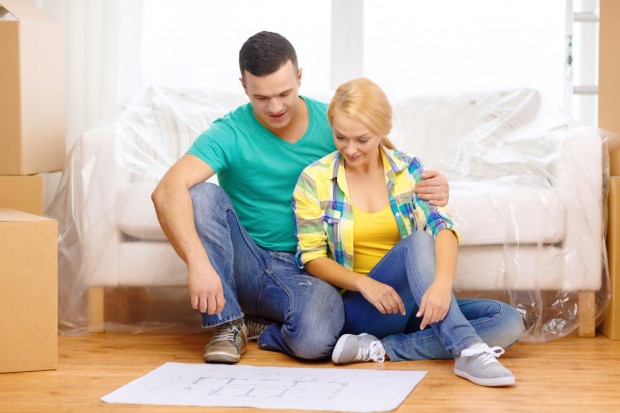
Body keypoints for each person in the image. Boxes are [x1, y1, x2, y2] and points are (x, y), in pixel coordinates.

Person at [151, 32, 450, 364]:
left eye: (284, 93)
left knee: (317, 342)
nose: (275, 107)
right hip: (246, 260)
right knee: (200, 195)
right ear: (243, 86)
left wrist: (433, 188)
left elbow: (388, 163)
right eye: (261, 97)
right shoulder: (229, 132)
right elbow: (166, 191)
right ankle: (227, 324)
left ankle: (265, 326)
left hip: (304, 268)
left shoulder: (333, 124)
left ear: (300, 77)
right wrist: (199, 264)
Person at [292, 77, 525, 387]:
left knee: (508, 320)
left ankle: (379, 349)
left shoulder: (408, 170)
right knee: (417, 242)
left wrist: (442, 286)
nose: (350, 149)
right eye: (340, 137)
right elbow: (311, 258)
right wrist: (365, 284)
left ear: (382, 131)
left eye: (362, 139)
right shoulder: (315, 179)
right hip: (364, 308)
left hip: (415, 307)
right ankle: (467, 350)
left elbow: (442, 228)